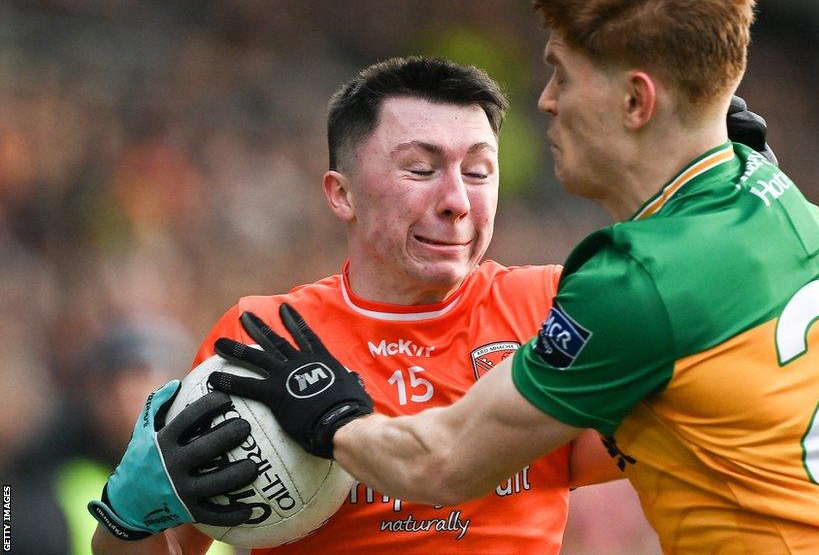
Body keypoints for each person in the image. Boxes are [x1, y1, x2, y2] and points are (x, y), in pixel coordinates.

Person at [209, 0, 819, 554]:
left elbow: (442, 463)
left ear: (636, 101)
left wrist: (331, 417)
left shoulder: (636, 281)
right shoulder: (768, 193)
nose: (545, 100)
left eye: (561, 75)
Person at [89, 56, 775, 554]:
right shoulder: (264, 337)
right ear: (341, 193)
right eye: (420, 169)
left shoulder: (555, 305)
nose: (457, 200)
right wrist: (130, 517)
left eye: (479, 171)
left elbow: (702, 416)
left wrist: (724, 240)